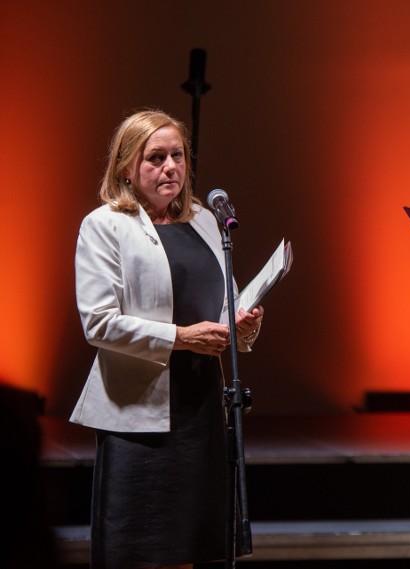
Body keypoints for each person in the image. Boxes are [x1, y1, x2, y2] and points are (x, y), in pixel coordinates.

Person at [71, 109, 265, 569]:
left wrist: (244, 324)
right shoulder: (104, 225)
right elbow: (97, 322)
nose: (170, 167)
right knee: (144, 551)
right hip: (139, 417)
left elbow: (223, 304)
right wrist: (180, 337)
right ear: (126, 168)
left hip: (201, 408)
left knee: (198, 548)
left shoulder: (203, 220)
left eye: (177, 155)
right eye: (155, 158)